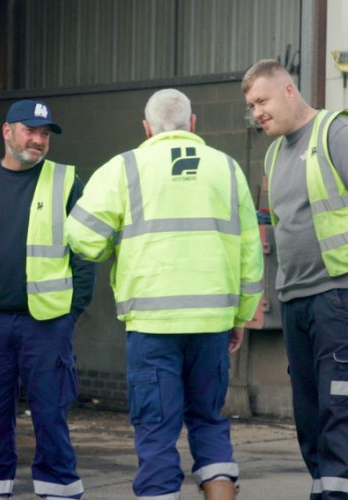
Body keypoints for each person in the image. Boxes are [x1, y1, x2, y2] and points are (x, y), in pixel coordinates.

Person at [66, 89, 262, 500]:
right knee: (209, 422)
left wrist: (112, 247)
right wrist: (240, 317)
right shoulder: (227, 169)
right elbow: (250, 254)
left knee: (156, 430)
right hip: (212, 323)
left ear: (147, 128)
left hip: (152, 326)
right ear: (193, 124)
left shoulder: (125, 168)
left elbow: (81, 236)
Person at [240, 59, 348, 500]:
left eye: (262, 100)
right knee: (311, 417)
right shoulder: (275, 153)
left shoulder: (339, 133)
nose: (256, 112)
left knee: (341, 408)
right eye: (251, 105)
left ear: (289, 90)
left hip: (344, 295)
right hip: (298, 297)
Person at [0, 99, 95, 500]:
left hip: (45, 323)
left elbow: (85, 252)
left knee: (50, 415)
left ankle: (60, 490)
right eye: (30, 130)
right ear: (7, 131)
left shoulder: (65, 181)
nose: (39, 140)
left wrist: (71, 312)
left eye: (45, 133)